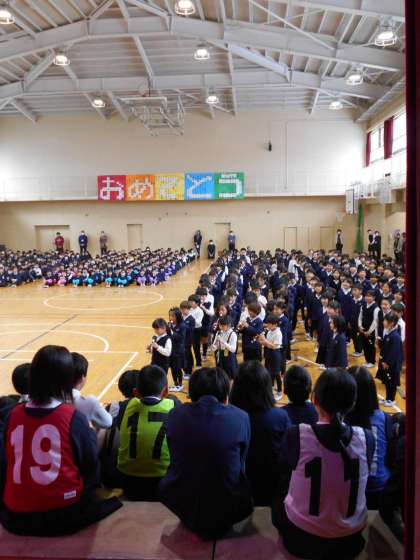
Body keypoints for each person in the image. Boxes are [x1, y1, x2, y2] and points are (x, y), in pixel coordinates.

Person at [0, 345, 122, 536]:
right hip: (63, 515)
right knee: (110, 500)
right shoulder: (71, 416)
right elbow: (91, 468)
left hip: (15, 516)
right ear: (67, 379)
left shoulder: (13, 414)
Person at [273, 368, 374, 559]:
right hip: (350, 542)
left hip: (301, 540)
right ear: (352, 404)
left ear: (314, 399)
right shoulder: (367, 438)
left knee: (281, 487)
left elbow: (282, 469)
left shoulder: (297, 434)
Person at [159, 367, 253, 538]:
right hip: (230, 506)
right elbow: (241, 462)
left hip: (182, 503)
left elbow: (174, 455)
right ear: (226, 395)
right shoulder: (241, 417)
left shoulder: (175, 414)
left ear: (192, 394)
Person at [230, 361, 290, 506]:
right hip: (272, 486)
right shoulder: (280, 417)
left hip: (238, 488)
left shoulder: (230, 418)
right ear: (266, 388)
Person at [117, 365, 177, 501]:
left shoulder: (126, 406)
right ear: (166, 391)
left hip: (128, 478)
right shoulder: (173, 405)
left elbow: (120, 429)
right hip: (162, 478)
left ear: (135, 392)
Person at [346, 366, 394, 509]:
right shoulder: (384, 418)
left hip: (351, 490)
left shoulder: (341, 421)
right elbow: (390, 454)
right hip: (380, 487)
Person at [71, 352, 112, 430]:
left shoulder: (52, 398)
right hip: (78, 437)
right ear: (82, 378)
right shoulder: (89, 402)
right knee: (101, 429)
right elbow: (108, 422)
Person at [380, 312, 403, 407]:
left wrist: (387, 363)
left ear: (392, 323)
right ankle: (387, 398)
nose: (383, 322)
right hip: (386, 362)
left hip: (392, 365)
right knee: (387, 381)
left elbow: (394, 352)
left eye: (385, 320)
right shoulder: (388, 332)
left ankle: (392, 399)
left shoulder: (395, 336)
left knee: (392, 382)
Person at [257, 314, 283, 401]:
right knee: (269, 372)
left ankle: (279, 391)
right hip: (268, 353)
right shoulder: (269, 331)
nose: (267, 325)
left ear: (275, 324)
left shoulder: (278, 333)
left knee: (276, 373)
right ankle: (270, 389)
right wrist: (260, 340)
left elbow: (274, 346)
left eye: (269, 324)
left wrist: (265, 340)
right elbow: (267, 344)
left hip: (275, 354)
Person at [210, 315, 238, 380]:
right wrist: (213, 347)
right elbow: (217, 345)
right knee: (220, 373)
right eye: (220, 325)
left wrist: (223, 342)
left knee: (230, 375)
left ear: (228, 325)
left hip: (229, 356)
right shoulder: (219, 332)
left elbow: (233, 349)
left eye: (223, 326)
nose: (220, 327)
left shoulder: (233, 334)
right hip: (220, 354)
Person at [358, 290, 379, 369]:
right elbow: (360, 316)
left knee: (371, 347)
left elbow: (375, 321)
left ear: (374, 297)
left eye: (370, 296)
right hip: (363, 329)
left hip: (371, 331)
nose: (367, 298)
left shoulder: (376, 308)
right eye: (366, 296)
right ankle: (367, 361)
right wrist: (360, 326)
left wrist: (369, 331)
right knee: (364, 345)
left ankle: (372, 362)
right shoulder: (363, 305)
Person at [167, 307, 186, 393]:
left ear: (177, 316)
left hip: (178, 351)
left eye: (172, 316)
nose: (170, 317)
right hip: (171, 350)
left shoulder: (182, 326)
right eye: (170, 315)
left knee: (178, 368)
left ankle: (180, 385)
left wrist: (172, 332)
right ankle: (175, 384)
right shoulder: (169, 325)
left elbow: (181, 338)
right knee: (172, 368)